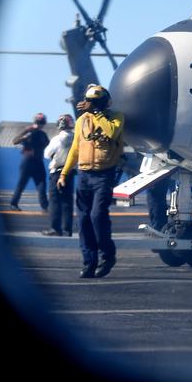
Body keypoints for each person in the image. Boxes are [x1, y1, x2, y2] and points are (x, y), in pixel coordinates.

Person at [57, 84, 125, 278]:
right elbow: (76, 149)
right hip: (84, 176)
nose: (91, 105)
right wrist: (64, 174)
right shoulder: (82, 121)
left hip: (104, 175)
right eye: (90, 102)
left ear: (105, 102)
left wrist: (97, 113)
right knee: (84, 219)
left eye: (95, 102)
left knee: (97, 216)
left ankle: (107, 256)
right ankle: (89, 262)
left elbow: (111, 133)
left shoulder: (116, 117)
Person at [41, 114, 76, 236]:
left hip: (57, 172)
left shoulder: (57, 139)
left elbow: (47, 154)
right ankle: (67, 229)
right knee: (68, 201)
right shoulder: (76, 137)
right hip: (70, 172)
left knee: (55, 201)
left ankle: (55, 228)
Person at [9, 113, 50, 211]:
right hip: (27, 162)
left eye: (42, 123)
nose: (40, 124)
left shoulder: (42, 134)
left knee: (41, 184)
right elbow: (14, 141)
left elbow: (48, 145)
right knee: (22, 183)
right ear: (35, 122)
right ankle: (13, 204)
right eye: (39, 122)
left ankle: (45, 206)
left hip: (38, 162)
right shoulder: (28, 130)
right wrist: (24, 137)